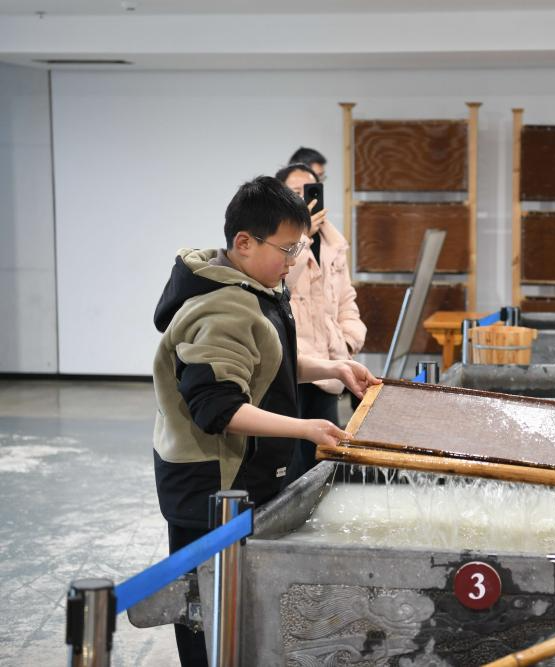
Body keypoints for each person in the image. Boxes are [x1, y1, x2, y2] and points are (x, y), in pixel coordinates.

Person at [151, 175, 380, 666]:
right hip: (211, 489)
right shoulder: (220, 306)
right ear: (244, 242)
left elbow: (268, 362)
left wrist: (332, 367)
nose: (294, 260)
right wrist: (305, 428)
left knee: (240, 610)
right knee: (208, 615)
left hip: (240, 480)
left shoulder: (253, 288)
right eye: (288, 248)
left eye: (300, 247)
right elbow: (218, 408)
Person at [276, 162, 366, 484]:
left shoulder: (333, 243)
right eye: (295, 193)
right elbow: (279, 286)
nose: (304, 200)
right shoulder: (277, 244)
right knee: (289, 464)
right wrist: (302, 238)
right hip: (292, 365)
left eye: (310, 192)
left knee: (323, 462)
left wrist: (349, 340)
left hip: (328, 365)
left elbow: (346, 299)